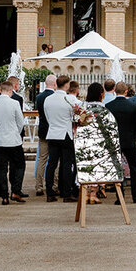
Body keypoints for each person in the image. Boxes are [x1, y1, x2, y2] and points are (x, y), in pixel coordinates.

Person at [74, 83, 124, 201]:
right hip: (99, 140)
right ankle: (93, 194)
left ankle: (85, 194)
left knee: (86, 165)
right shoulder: (103, 107)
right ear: (100, 94)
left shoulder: (83, 106)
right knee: (97, 166)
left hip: (85, 141)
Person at [106, 81, 136, 203]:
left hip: (115, 140)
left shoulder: (109, 106)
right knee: (134, 167)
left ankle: (120, 196)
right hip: (129, 139)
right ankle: (135, 194)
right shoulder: (132, 106)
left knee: (117, 168)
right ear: (126, 91)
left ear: (115, 91)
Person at [0, 81, 27, 205]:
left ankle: (4, 195)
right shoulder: (15, 103)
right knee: (19, 165)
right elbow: (20, 122)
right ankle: (16, 190)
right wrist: (15, 132)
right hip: (13, 140)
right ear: (10, 91)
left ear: (0, 90)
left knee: (1, 168)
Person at [44, 73, 77, 202]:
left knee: (51, 164)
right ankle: (66, 192)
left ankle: (49, 191)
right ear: (67, 85)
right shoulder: (69, 99)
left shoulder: (48, 99)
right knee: (67, 164)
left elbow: (47, 116)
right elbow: (73, 117)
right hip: (65, 133)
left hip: (52, 133)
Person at [34, 73, 57, 196]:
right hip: (53, 131)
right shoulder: (55, 97)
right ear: (54, 84)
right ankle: (54, 184)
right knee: (54, 160)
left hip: (43, 130)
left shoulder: (39, 97)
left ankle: (38, 185)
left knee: (42, 159)